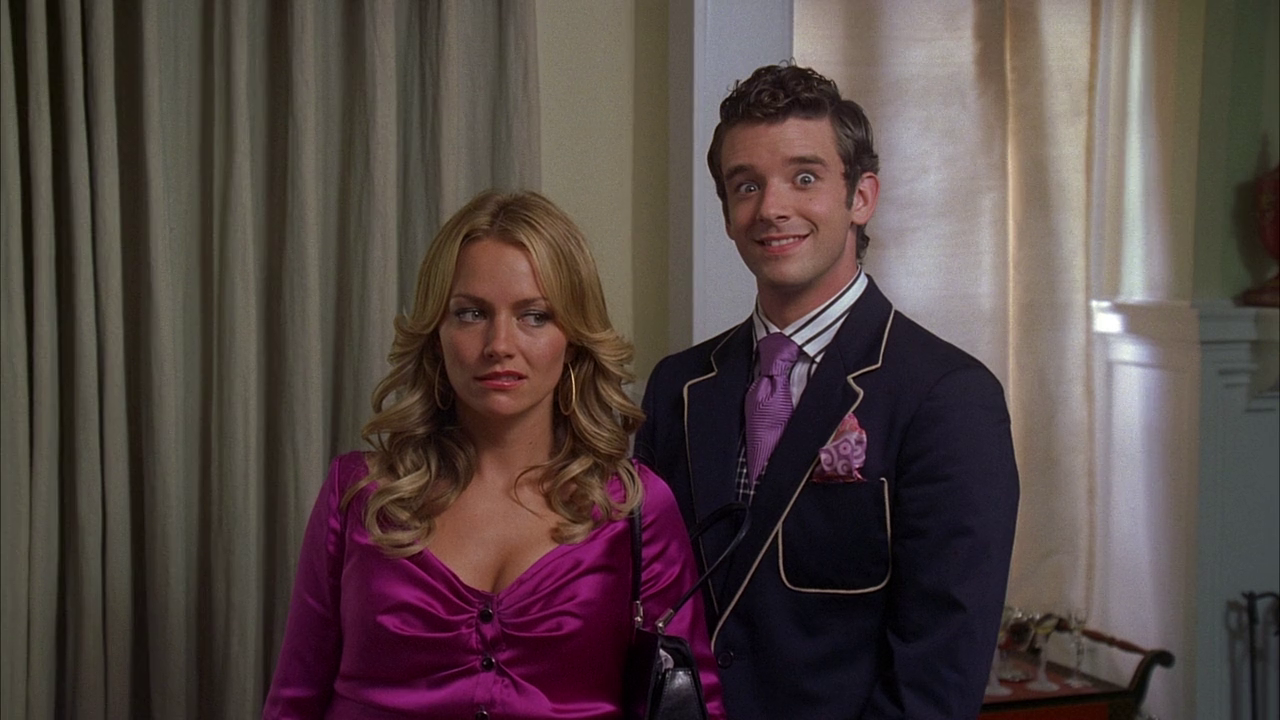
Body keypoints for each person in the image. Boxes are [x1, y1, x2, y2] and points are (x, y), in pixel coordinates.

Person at [635, 63, 1020, 718]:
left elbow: (938, 678)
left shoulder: (948, 397)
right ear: (727, 215)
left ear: (861, 197)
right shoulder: (678, 385)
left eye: (804, 178)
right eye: (746, 185)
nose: (771, 208)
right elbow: (650, 603)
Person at [265, 190, 725, 719]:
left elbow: (692, 703)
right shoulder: (359, 496)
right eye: (471, 313)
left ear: (573, 338)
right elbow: (293, 701)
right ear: (436, 333)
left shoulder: (634, 507)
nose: (499, 344)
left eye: (535, 316)